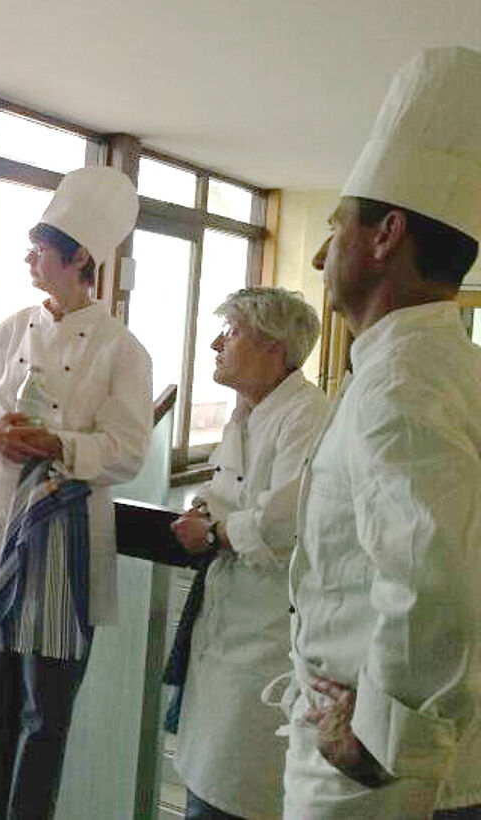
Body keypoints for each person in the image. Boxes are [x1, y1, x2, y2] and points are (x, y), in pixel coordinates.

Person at [286, 47, 481, 819]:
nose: (318, 253)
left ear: (385, 234)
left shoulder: (400, 383)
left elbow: (438, 585)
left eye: (336, 225)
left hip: (376, 782)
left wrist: (377, 743)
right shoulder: (438, 365)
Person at [0, 166, 153, 819]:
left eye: (39, 249)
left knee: (46, 712)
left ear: (79, 258)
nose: (29, 259)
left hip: (66, 546)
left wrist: (56, 443)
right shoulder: (7, 331)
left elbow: (127, 451)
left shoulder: (123, 351)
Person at [165, 287, 328, 820]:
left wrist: (214, 533)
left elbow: (282, 521)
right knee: (206, 782)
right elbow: (223, 494)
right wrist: (203, 510)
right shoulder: (244, 413)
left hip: (268, 638)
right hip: (225, 626)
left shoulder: (307, 415)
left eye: (232, 333)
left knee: (238, 794)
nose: (217, 344)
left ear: (274, 348)